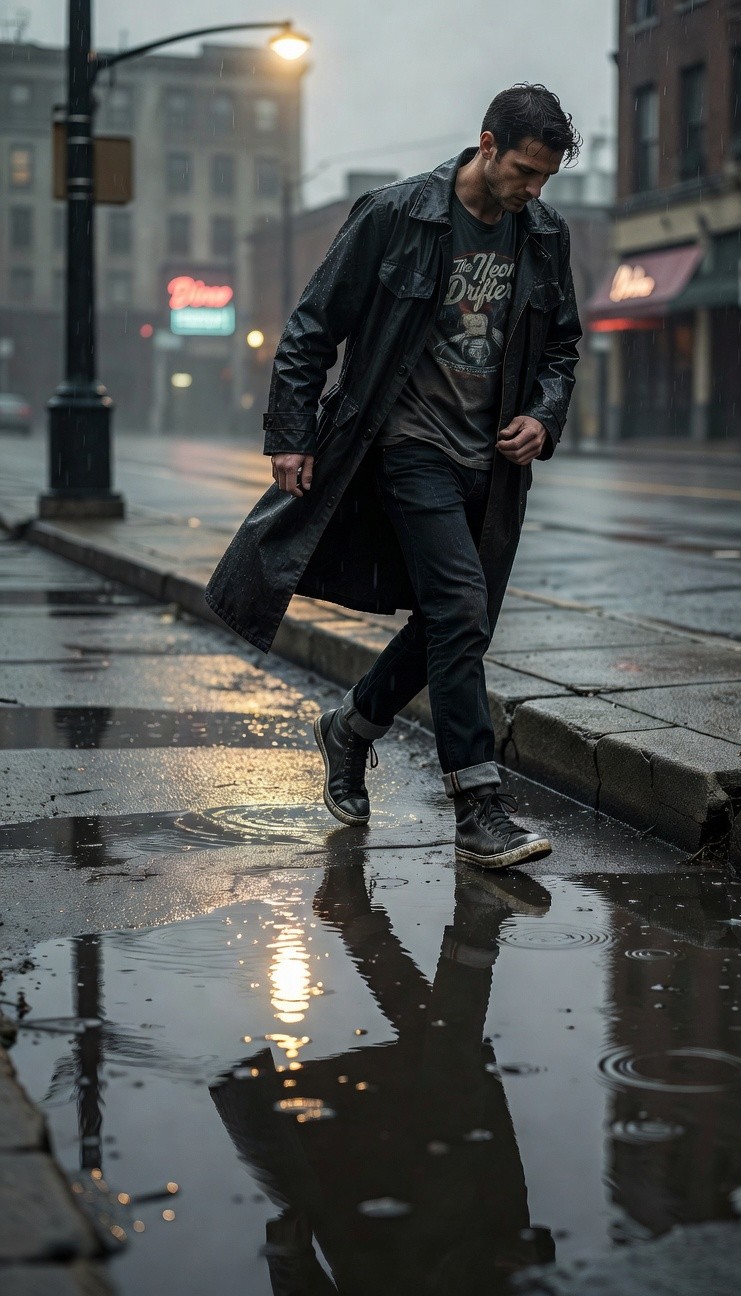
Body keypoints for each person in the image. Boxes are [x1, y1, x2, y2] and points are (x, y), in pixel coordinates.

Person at [205, 84, 582, 870]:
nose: (530, 191)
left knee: (456, 622)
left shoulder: (543, 233)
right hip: (406, 445)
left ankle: (350, 728)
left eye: (544, 179)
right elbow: (314, 323)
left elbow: (561, 348)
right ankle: (480, 809)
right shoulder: (397, 214)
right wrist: (292, 433)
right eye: (521, 171)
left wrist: (544, 415)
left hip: (495, 464)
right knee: (456, 608)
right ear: (486, 144)